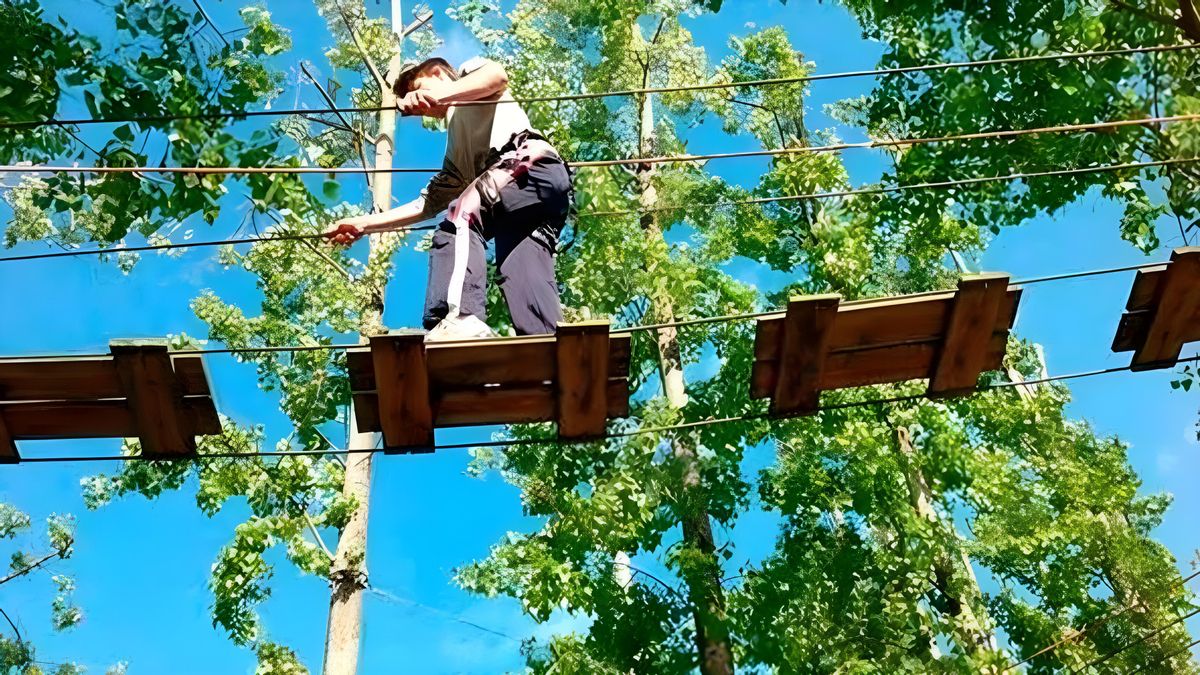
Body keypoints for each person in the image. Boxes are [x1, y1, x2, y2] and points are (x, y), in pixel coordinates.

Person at [325, 56, 571, 340]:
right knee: (520, 269)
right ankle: (546, 340)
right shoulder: (457, 158)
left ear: (438, 73)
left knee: (458, 219)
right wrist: (362, 224)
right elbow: (424, 205)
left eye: (418, 87)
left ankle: (458, 319)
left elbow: (497, 76)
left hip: (528, 161)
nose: (422, 109)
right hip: (532, 195)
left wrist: (438, 94)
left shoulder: (469, 74)